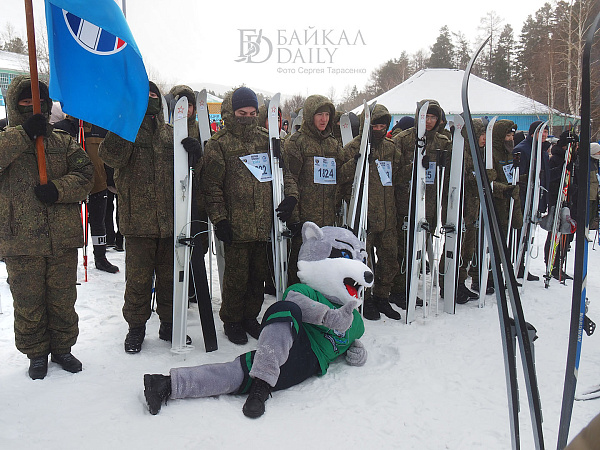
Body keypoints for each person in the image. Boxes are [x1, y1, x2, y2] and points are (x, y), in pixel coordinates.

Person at [0, 75, 94, 379]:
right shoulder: (5, 138)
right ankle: (36, 353)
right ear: (15, 104)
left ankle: (63, 348)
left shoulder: (62, 141)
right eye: (26, 101)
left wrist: (58, 189)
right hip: (20, 240)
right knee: (28, 303)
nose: (34, 106)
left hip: (61, 238)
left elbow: (86, 175)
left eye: (39, 100)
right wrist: (23, 135)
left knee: (63, 299)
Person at [99, 81, 195, 353]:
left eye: (153, 94)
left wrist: (194, 154)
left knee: (169, 279)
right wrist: (125, 121)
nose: (149, 98)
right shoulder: (125, 130)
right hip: (138, 222)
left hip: (170, 222)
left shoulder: (171, 134)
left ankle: (169, 324)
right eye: (144, 95)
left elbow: (187, 173)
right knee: (138, 281)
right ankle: (136, 327)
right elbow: (110, 157)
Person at [201, 87, 272, 345]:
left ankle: (250, 316)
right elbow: (211, 186)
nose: (248, 118)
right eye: (242, 113)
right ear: (232, 113)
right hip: (236, 224)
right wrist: (220, 219)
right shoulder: (219, 144)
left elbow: (281, 173)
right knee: (236, 278)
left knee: (257, 276)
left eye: (252, 113)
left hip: (263, 223)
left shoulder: (265, 139)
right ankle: (232, 320)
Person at [339, 103, 403, 320]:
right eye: (375, 126)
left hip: (387, 216)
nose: (379, 130)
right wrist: (354, 164)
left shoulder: (391, 148)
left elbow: (398, 177)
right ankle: (365, 298)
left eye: (383, 126)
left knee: (389, 259)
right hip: (363, 217)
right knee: (363, 262)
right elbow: (340, 178)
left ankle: (382, 297)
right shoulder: (352, 148)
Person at [389, 99, 452, 309]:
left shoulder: (442, 142)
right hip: (406, 203)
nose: (430, 121)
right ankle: (399, 289)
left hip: (430, 204)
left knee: (420, 248)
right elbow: (393, 173)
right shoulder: (403, 139)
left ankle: (412, 285)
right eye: (426, 116)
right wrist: (414, 167)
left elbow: (448, 174)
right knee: (404, 249)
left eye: (434, 117)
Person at [281, 95, 343, 284]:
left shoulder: (333, 144)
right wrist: (294, 219)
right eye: (319, 114)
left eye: (327, 115)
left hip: (328, 220)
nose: (324, 119)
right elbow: (290, 179)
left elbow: (341, 175)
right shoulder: (296, 143)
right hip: (304, 222)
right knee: (301, 269)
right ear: (309, 115)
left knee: (323, 268)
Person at [53, 116, 119, 273]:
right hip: (72, 186)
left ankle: (101, 257)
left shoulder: (101, 127)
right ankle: (66, 262)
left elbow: (107, 157)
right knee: (68, 226)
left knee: (98, 223)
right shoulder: (61, 128)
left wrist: (111, 179)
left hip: (98, 183)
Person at [514, 120, 550, 280]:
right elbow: (520, 177)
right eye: (541, 132)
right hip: (524, 199)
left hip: (536, 197)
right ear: (533, 133)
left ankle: (522, 265)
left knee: (529, 234)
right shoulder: (523, 149)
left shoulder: (542, 151)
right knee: (520, 234)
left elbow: (544, 176)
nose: (544, 135)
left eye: (546, 132)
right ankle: (517, 265)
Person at [544, 130, 578, 280]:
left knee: (565, 232)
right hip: (556, 200)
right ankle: (552, 264)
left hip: (568, 200)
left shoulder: (573, 159)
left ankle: (560, 263)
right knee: (555, 231)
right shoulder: (556, 158)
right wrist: (562, 170)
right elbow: (549, 177)